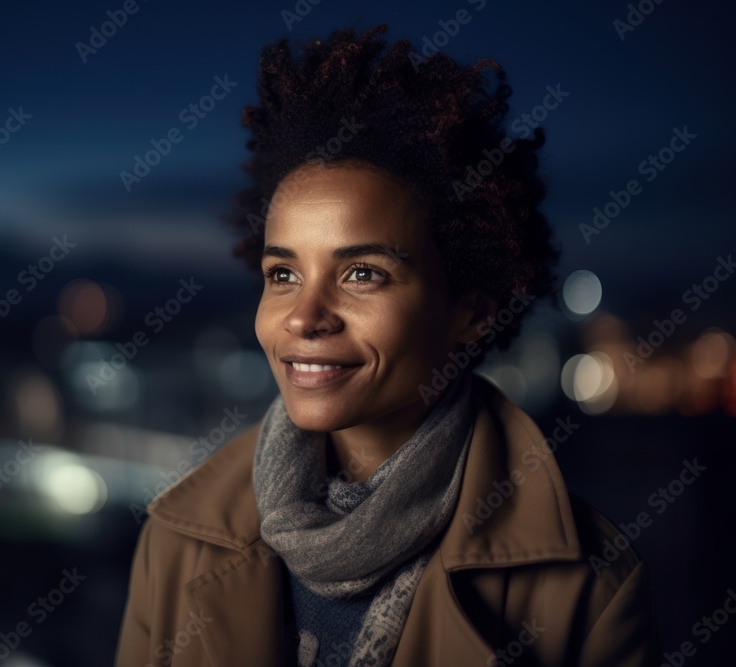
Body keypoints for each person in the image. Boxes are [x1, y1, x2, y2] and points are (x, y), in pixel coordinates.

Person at [115, 24, 659, 666]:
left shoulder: (588, 589)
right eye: (283, 274)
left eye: (362, 273)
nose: (305, 317)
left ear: (469, 311)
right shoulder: (177, 538)